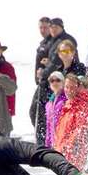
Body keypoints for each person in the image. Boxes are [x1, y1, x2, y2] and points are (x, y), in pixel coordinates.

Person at [30, 17, 54, 145]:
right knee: (35, 112)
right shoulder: (43, 43)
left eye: (45, 27)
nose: (43, 30)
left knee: (41, 113)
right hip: (41, 83)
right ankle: (42, 140)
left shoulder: (53, 43)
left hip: (49, 84)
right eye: (41, 27)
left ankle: (44, 141)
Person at [44, 71, 66, 148]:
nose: (54, 83)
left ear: (63, 83)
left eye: (58, 80)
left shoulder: (66, 99)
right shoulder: (49, 103)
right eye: (52, 81)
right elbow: (48, 126)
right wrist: (47, 145)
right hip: (53, 142)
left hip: (63, 141)